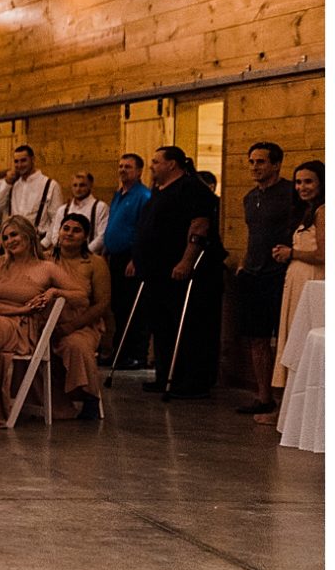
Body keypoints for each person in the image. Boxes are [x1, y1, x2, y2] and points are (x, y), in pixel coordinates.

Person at [0, 216, 88, 428]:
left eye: (14, 235)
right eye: (6, 237)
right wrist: (18, 308)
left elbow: (82, 296)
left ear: (28, 236)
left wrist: (55, 292)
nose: (10, 240)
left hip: (22, 329)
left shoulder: (46, 268)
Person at [133, 146, 224, 399]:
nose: (152, 166)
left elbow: (199, 226)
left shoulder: (191, 189)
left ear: (172, 164)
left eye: (156, 162)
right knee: (161, 324)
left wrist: (186, 261)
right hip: (156, 271)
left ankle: (191, 379)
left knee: (187, 325)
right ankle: (165, 374)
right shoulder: (158, 191)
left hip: (181, 272)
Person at [234, 143, 297, 416]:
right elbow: (254, 234)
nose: (255, 167)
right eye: (251, 162)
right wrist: (244, 261)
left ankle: (291, 399)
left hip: (281, 273)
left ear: (276, 164)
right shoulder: (250, 197)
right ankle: (264, 396)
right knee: (257, 338)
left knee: (284, 337)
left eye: (260, 162)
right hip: (254, 273)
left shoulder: (290, 194)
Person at [263, 160, 325, 425]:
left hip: (312, 281)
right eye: (298, 182)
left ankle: (303, 415)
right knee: (292, 340)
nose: (302, 187)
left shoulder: (324, 212)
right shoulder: (307, 211)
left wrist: (292, 253)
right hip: (297, 280)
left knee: (303, 342)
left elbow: (324, 254)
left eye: (309, 181)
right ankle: (291, 411)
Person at [50, 213, 112, 420]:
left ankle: (89, 397)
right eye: (66, 228)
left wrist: (71, 326)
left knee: (75, 345)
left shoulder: (95, 263)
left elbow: (102, 303)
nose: (69, 234)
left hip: (83, 325)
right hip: (48, 322)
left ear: (85, 236)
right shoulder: (46, 258)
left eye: (76, 230)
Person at [103, 153, 153, 372]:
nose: (123, 170)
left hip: (131, 258)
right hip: (115, 257)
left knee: (134, 307)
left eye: (128, 167)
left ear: (139, 171)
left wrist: (136, 258)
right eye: (121, 166)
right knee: (118, 307)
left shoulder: (143, 196)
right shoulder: (119, 194)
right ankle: (120, 352)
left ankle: (136, 355)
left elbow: (143, 230)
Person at [41, 171, 109, 254]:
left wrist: (84, 253)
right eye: (75, 185)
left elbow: (102, 236)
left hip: (89, 257)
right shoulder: (62, 209)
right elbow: (55, 236)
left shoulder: (100, 207)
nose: (78, 189)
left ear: (90, 186)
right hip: (64, 258)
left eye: (82, 185)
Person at [6, 145, 64, 237]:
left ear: (32, 159)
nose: (19, 165)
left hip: (38, 240)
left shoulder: (50, 185)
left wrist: (44, 244)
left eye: (23, 160)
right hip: (15, 241)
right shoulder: (14, 186)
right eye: (16, 161)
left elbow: (57, 219)